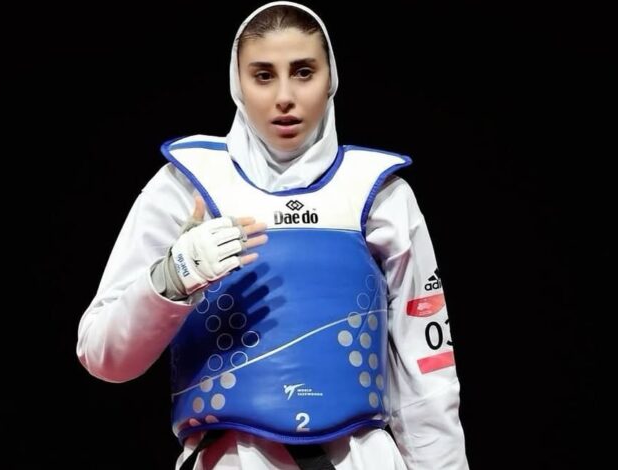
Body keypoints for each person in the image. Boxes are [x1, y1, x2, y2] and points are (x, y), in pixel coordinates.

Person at [76, 2, 468, 469]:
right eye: (263, 75)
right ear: (237, 83)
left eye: (303, 72)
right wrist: (173, 277)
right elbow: (104, 356)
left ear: (331, 78)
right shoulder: (186, 186)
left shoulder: (380, 193)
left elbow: (428, 371)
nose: (285, 96)